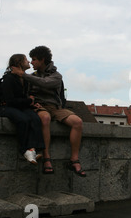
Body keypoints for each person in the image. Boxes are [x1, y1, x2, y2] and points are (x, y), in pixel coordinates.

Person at [11, 46, 86, 177]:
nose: (32, 62)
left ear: (42, 60)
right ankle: (47, 158)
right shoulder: (32, 76)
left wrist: (23, 75)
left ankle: (74, 160)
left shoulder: (56, 76)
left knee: (77, 122)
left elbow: (45, 83)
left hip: (56, 108)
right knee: (45, 118)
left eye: (34, 59)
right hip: (40, 107)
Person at [1, 54, 45, 165]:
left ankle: (34, 149)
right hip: (7, 108)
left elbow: (24, 99)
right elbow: (10, 100)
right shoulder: (8, 79)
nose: (29, 62)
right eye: (26, 60)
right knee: (23, 120)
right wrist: (29, 101)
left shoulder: (24, 79)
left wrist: (33, 104)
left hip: (20, 107)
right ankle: (24, 150)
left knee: (35, 118)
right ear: (18, 62)